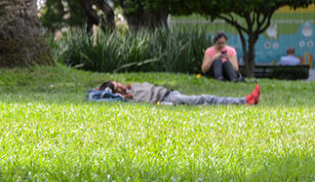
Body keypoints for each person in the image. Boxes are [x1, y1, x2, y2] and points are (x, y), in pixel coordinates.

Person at [94, 80, 260, 106]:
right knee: (204, 98)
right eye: (118, 87)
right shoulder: (128, 99)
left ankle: (247, 100)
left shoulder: (132, 87)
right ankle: (244, 100)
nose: (121, 86)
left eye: (119, 83)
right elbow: (104, 96)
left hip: (170, 93)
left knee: (203, 98)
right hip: (168, 98)